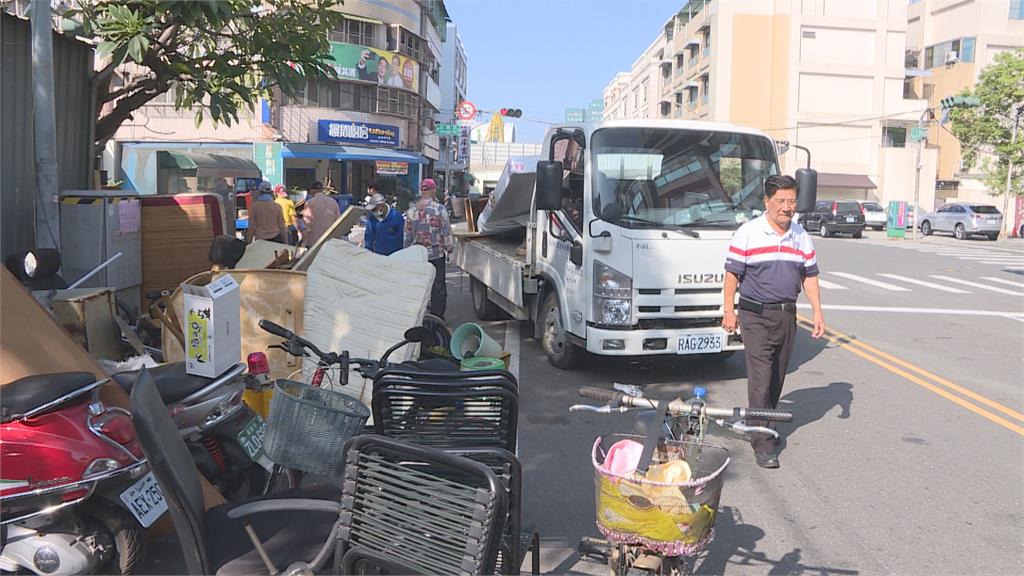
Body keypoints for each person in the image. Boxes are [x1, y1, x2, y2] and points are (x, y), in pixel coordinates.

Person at [722, 174, 826, 470]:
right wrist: (729, 310)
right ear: (766, 202)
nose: (786, 207)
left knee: (778, 375)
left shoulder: (800, 235)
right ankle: (763, 441)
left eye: (791, 201)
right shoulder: (748, 233)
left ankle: (761, 423)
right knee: (761, 374)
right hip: (754, 314)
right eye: (780, 201)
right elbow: (732, 275)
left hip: (786, 314)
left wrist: (818, 311)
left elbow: (810, 275)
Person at [404, 178, 452, 319]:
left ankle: (418, 316)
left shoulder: (411, 211)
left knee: (419, 286)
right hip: (436, 254)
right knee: (438, 287)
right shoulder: (439, 209)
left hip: (418, 257)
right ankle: (437, 318)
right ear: (433, 190)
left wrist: (407, 253)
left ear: (421, 190)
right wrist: (449, 248)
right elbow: (446, 231)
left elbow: (406, 235)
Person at [300, 181, 341, 247]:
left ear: (312, 190)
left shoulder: (310, 203)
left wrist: (303, 240)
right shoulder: (333, 202)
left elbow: (307, 224)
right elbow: (338, 221)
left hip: (314, 241)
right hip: (330, 241)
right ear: (322, 190)